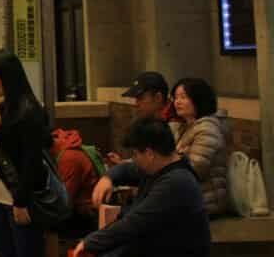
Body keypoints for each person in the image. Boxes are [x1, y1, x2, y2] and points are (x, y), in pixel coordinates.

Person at [79, 117, 210, 257]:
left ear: (150, 154)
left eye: (135, 154)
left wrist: (89, 243)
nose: (133, 159)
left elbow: (134, 223)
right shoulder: (159, 166)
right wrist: (108, 178)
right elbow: (126, 170)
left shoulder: (177, 182)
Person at [0, 49, 51, 257]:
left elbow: (31, 160)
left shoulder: (27, 111)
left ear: (8, 77)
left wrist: (20, 201)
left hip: (18, 199)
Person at [170, 77, 229, 216]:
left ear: (199, 99)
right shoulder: (185, 127)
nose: (177, 102)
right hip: (191, 197)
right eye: (175, 97)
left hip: (206, 202)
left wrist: (171, 160)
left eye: (183, 97)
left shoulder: (207, 129)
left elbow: (196, 168)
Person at [106, 72, 173, 166]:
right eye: (136, 99)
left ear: (158, 98)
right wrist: (123, 163)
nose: (136, 103)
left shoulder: (176, 124)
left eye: (140, 98)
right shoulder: (150, 121)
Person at [51, 128, 105, 231]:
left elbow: (64, 201)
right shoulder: (74, 148)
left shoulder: (69, 156)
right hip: (89, 212)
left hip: (85, 216)